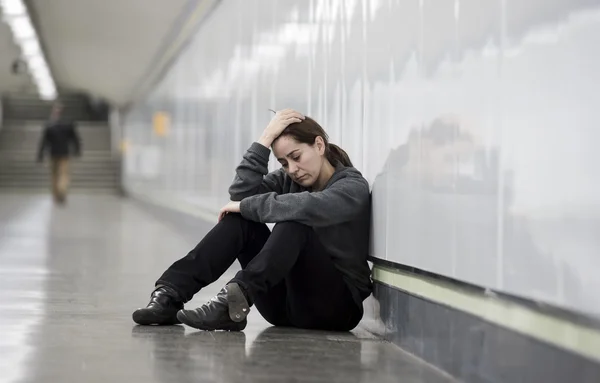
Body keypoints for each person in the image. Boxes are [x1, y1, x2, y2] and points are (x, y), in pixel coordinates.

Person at [132, 109, 372, 332]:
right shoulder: (290, 180)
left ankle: (233, 299)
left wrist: (245, 205)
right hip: (283, 307)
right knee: (240, 221)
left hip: (336, 310)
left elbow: (309, 206)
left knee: (295, 220)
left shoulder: (351, 187)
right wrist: (264, 140)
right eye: (284, 162)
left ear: (319, 145)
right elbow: (240, 195)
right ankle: (170, 295)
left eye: (296, 156)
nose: (293, 169)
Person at [37, 101, 81, 204]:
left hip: (53, 153)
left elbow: (44, 141)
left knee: (54, 175)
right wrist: (77, 149)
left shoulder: (49, 125)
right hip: (64, 153)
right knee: (64, 174)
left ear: (54, 112)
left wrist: (40, 154)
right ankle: (62, 192)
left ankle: (56, 195)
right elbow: (75, 138)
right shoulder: (69, 124)